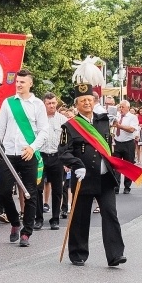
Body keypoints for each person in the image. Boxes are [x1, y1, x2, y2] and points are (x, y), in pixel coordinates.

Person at [58, 83, 128, 267]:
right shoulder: (69, 126)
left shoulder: (103, 120)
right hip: (83, 178)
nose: (87, 103)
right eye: (83, 100)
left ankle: (115, 255)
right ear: (77, 104)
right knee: (80, 217)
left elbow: (107, 144)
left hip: (105, 177)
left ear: (94, 101)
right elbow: (63, 152)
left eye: (89, 99)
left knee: (110, 214)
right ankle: (78, 253)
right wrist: (76, 164)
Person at [0, 69, 48, 247]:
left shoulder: (38, 105)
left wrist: (33, 148)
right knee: (3, 192)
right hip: (9, 153)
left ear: (30, 84)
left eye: (22, 82)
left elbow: (44, 131)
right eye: (17, 82)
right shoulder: (8, 103)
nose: (18, 85)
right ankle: (15, 223)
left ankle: (26, 232)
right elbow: (0, 129)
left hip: (28, 154)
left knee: (30, 193)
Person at [33, 92, 68, 231]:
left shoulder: (63, 120)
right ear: (44, 104)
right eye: (49, 103)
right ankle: (39, 219)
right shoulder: (37, 120)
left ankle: (55, 219)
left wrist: (66, 159)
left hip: (57, 157)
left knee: (57, 189)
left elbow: (66, 141)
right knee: (37, 189)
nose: (52, 105)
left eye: (54, 103)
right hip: (40, 157)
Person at [112, 100, 139, 194]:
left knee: (128, 165)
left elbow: (131, 129)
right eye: (120, 107)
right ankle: (116, 186)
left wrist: (119, 126)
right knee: (116, 166)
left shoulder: (132, 117)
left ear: (128, 107)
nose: (121, 109)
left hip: (128, 143)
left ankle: (127, 186)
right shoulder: (117, 116)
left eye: (123, 107)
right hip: (117, 143)